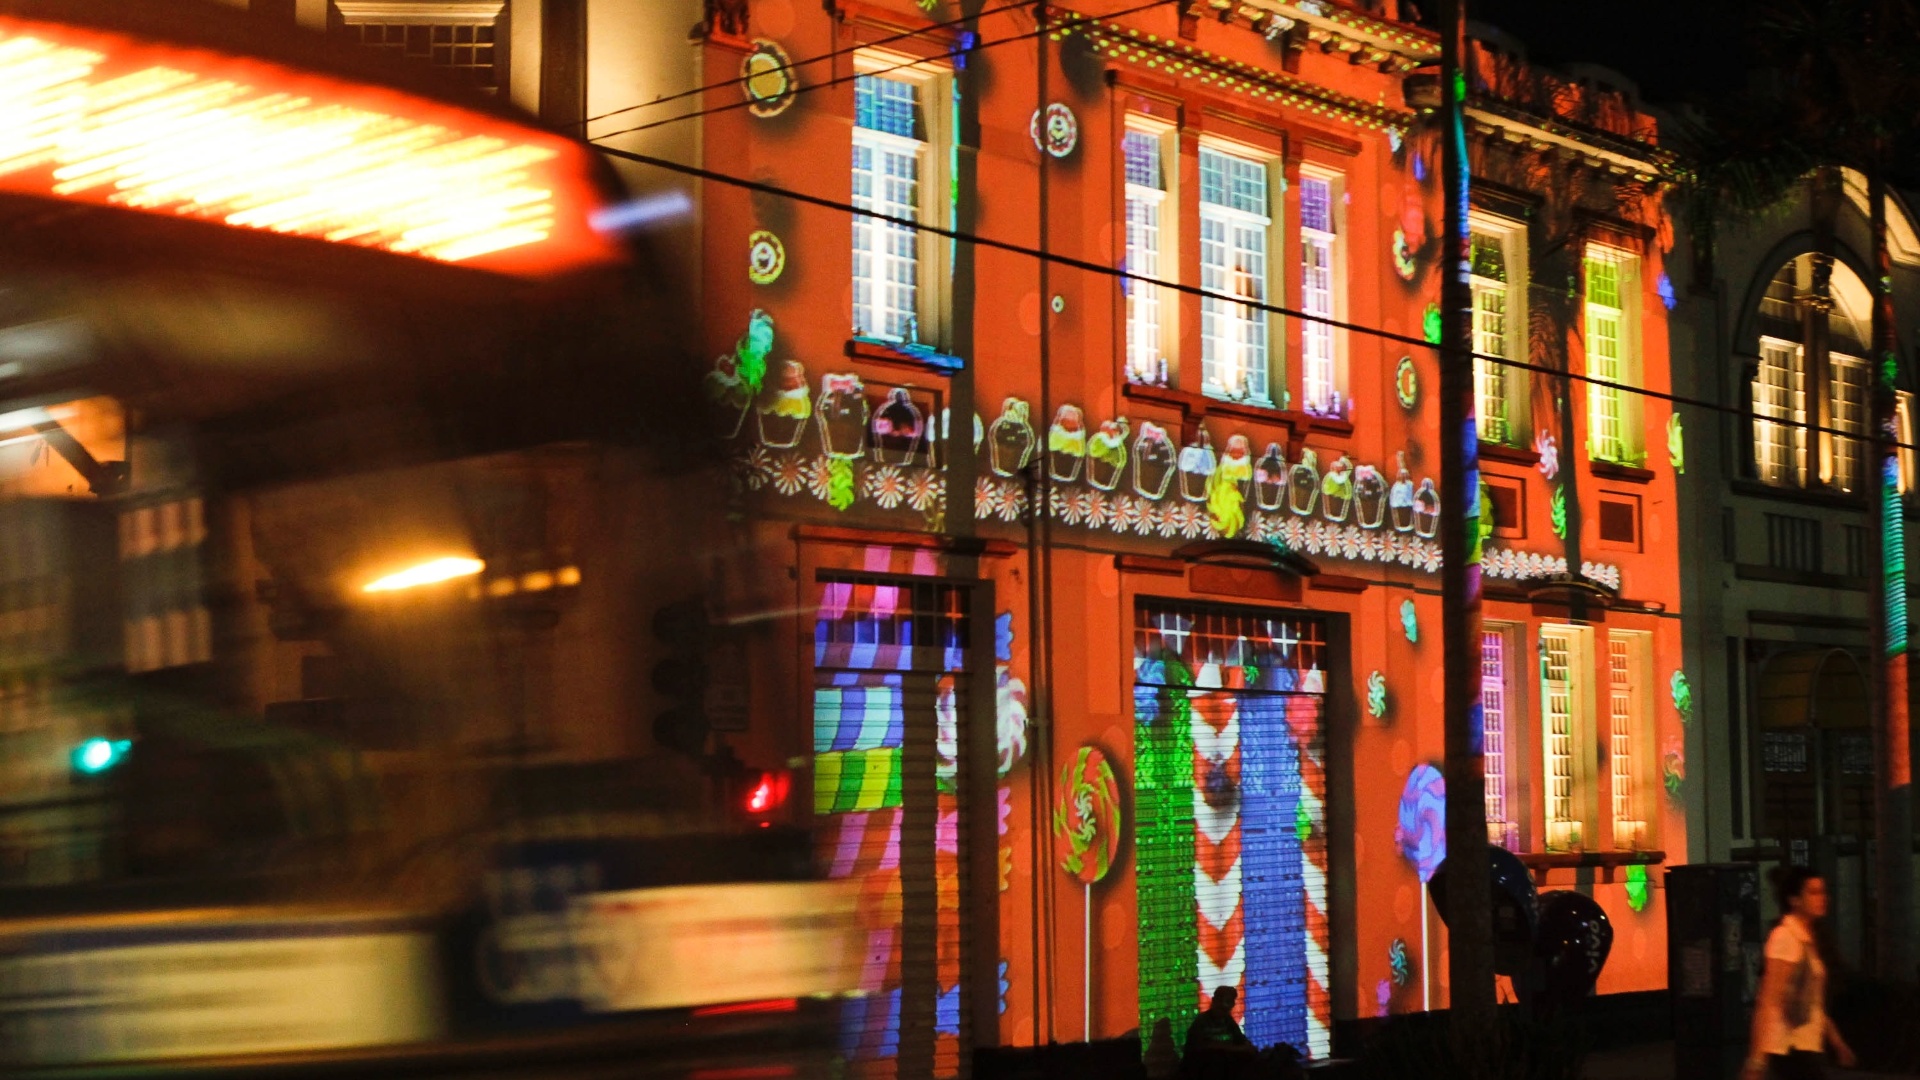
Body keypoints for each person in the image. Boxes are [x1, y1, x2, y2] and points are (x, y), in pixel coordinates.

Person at [1744, 867, 1856, 1080]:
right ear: (1794, 900)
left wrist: (1837, 1042)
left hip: (1805, 1045)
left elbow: (1812, 1003)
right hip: (1789, 1045)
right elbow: (1769, 1000)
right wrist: (1756, 1060)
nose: (1822, 898)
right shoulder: (1785, 937)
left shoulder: (1806, 938)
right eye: (1813, 893)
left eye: (1823, 892)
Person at [1182, 986, 1253, 1080]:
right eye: (1222, 1001)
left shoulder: (1228, 1021)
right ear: (1214, 1001)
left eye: (1229, 1001)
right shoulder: (1201, 1021)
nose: (1225, 1006)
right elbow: (1199, 1047)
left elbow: (1240, 1040)